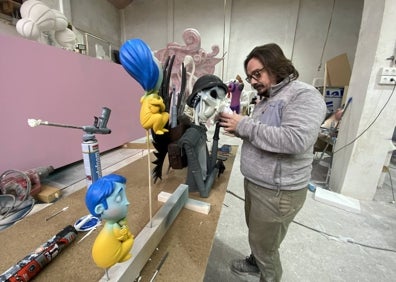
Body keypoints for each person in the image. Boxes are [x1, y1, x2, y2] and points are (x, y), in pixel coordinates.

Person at [219, 43, 326, 281]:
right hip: (259, 184)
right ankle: (255, 261)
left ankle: (266, 271)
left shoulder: (304, 95)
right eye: (250, 77)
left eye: (257, 73)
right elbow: (265, 133)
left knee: (266, 247)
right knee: (258, 236)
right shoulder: (266, 98)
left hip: (279, 192)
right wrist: (237, 128)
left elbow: (295, 140)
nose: (253, 81)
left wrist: (244, 125)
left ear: (276, 65)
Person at [85, 174, 134, 269]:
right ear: (100, 209)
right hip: (107, 258)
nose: (127, 202)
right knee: (130, 240)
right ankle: (119, 256)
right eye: (119, 198)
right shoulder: (113, 227)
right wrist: (126, 234)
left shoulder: (114, 225)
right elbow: (122, 237)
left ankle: (119, 256)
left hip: (108, 253)